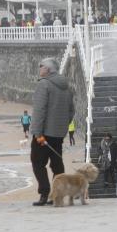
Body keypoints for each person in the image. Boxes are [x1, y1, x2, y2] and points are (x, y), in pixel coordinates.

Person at [30, 57, 75, 206]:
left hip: (43, 133)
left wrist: (37, 132)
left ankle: (44, 193)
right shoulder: (65, 86)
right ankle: (56, 194)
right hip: (58, 134)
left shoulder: (44, 84)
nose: (39, 68)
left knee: (37, 162)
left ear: (48, 69)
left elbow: (39, 110)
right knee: (57, 163)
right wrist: (62, 128)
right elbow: (71, 111)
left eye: (41, 66)